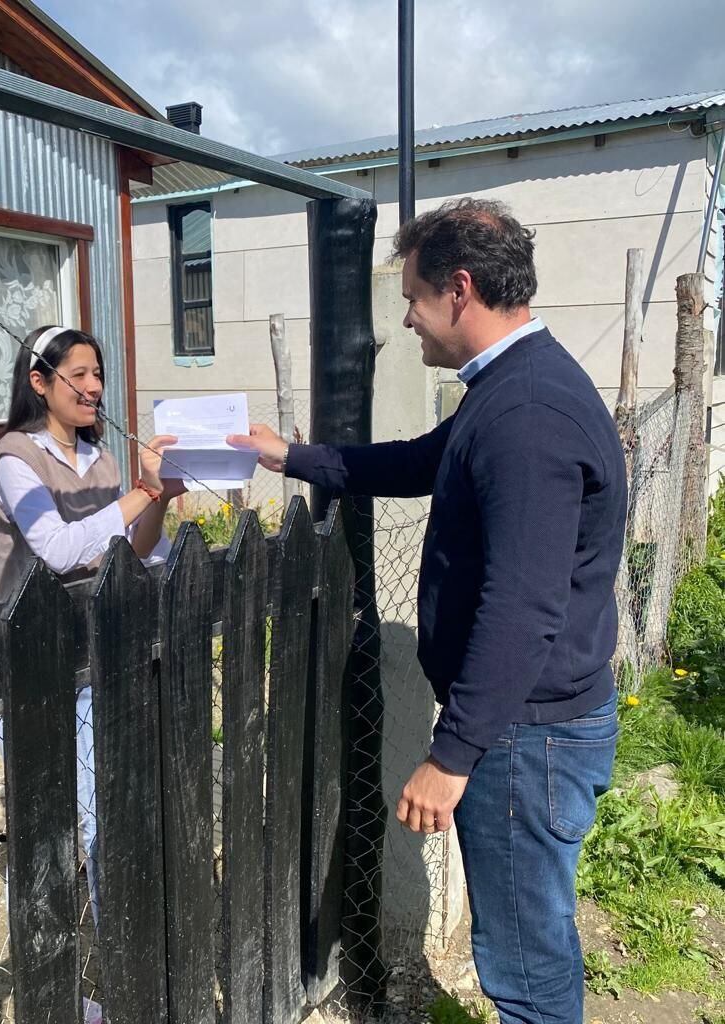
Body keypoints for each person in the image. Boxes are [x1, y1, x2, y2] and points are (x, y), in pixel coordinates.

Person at [229, 199, 627, 1024]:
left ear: (460, 287)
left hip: (526, 734)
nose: (405, 319)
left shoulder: (525, 415)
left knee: (522, 957)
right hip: (535, 724)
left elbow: (522, 607)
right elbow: (419, 461)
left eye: (410, 298)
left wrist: (451, 756)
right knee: (531, 932)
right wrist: (288, 454)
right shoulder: (511, 386)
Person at [0, 324, 182, 928]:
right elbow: (56, 550)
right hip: (31, 656)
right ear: (39, 382)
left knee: (100, 808)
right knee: (41, 814)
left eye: (99, 374)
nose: (95, 387)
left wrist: (161, 501)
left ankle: (110, 954)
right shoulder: (16, 458)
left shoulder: (101, 458)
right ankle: (43, 952)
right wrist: (139, 493)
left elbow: (141, 552)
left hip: (96, 650)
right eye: (80, 375)